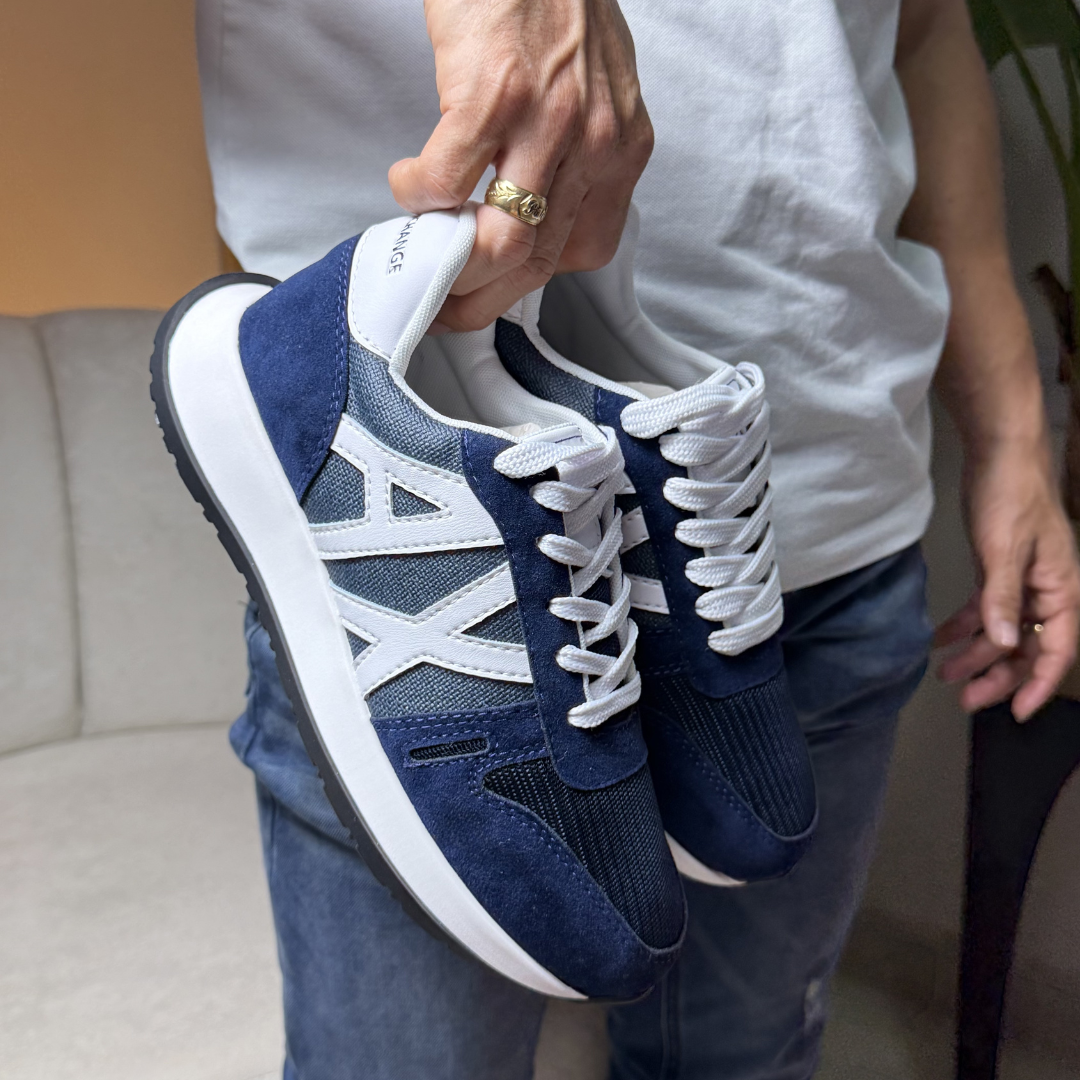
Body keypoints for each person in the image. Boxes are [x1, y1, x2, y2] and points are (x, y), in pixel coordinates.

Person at [197, 0, 1080, 1075]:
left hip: (839, 518)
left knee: (748, 1056)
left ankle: (537, 382)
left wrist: (1014, 436)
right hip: (439, 566)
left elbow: (927, 31)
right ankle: (365, 382)